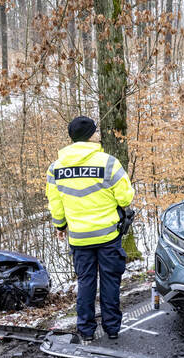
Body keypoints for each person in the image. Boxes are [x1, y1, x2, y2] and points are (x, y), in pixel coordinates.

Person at [46, 117, 135, 342]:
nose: (98, 134)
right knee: (110, 281)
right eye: (95, 131)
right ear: (91, 135)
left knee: (85, 283)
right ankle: (112, 329)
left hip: (79, 237)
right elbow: (125, 198)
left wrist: (60, 226)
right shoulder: (108, 163)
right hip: (107, 235)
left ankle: (86, 331)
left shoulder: (56, 168)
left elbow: (55, 204)